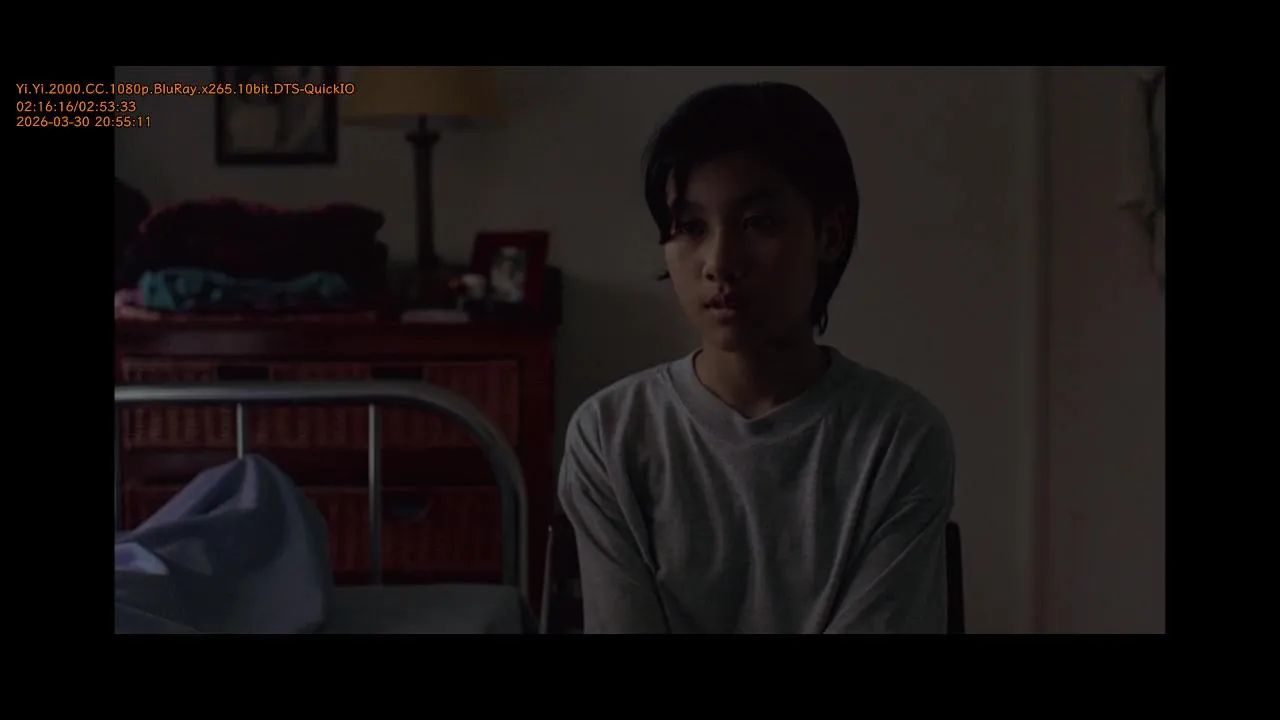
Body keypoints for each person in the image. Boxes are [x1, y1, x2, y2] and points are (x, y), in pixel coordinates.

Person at [557, 82, 956, 634]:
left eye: (758, 222)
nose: (719, 262)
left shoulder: (899, 438)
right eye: (690, 227)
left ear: (830, 235)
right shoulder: (610, 436)